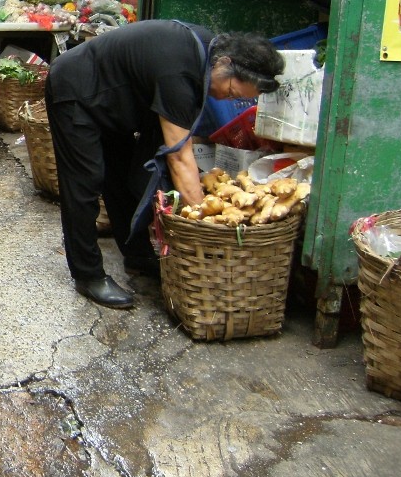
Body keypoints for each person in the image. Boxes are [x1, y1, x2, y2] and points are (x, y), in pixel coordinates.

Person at [44, 21, 285, 309]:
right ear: (225, 64)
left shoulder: (209, 53)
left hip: (114, 100)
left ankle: (136, 255)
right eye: (232, 92)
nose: (226, 98)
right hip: (77, 89)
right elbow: (179, 156)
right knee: (84, 184)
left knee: (120, 177)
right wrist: (202, 223)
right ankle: (87, 274)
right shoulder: (181, 71)